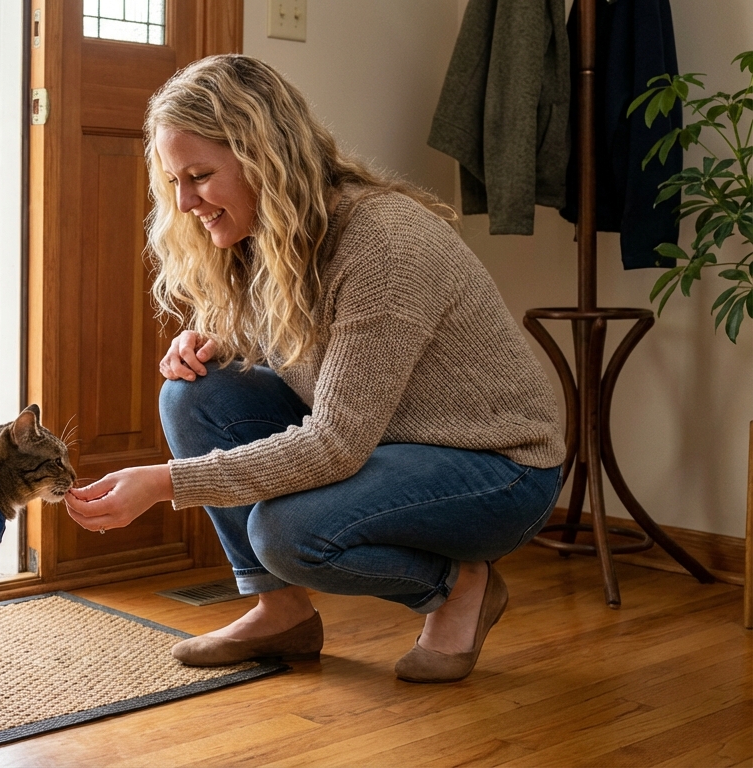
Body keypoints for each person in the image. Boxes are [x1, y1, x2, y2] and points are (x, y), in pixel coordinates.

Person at [63, 54, 565, 684]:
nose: (185, 201)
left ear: (263, 158)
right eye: (174, 182)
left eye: (199, 176)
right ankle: (282, 614)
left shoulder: (384, 241)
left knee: (288, 532)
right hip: (390, 443)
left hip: (498, 468)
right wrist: (218, 338)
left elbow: (334, 443)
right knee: (194, 395)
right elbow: (318, 354)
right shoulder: (267, 239)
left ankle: (462, 585)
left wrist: (167, 483)